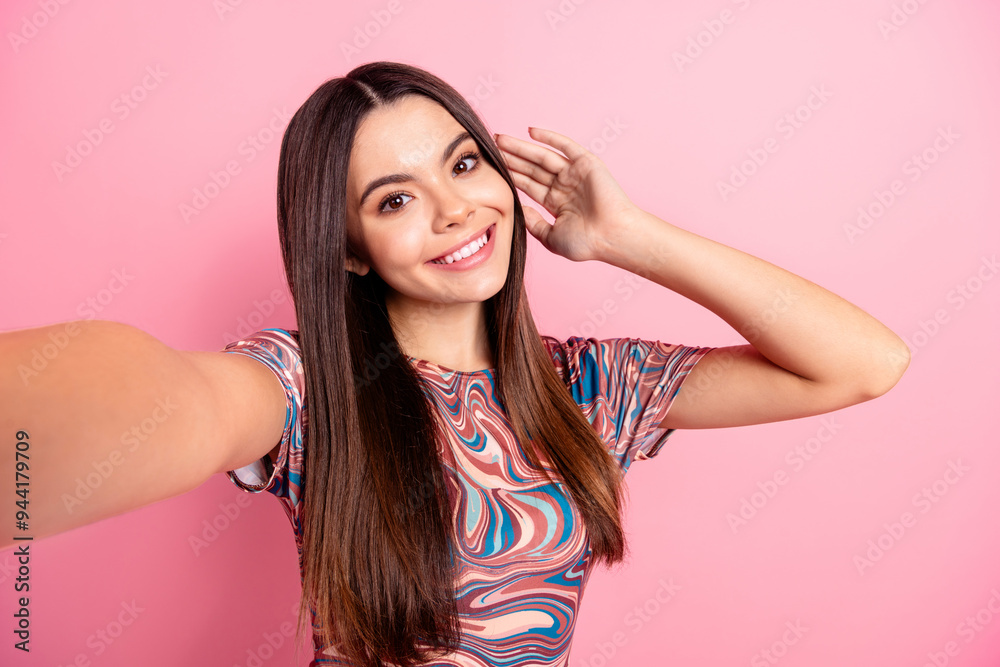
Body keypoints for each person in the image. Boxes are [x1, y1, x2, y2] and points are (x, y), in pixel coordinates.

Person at [0, 61, 910, 666]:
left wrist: (629, 237)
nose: (454, 211)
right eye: (395, 199)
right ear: (349, 249)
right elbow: (174, 399)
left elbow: (862, 363)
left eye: (465, 165)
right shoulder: (310, 386)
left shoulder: (591, 388)